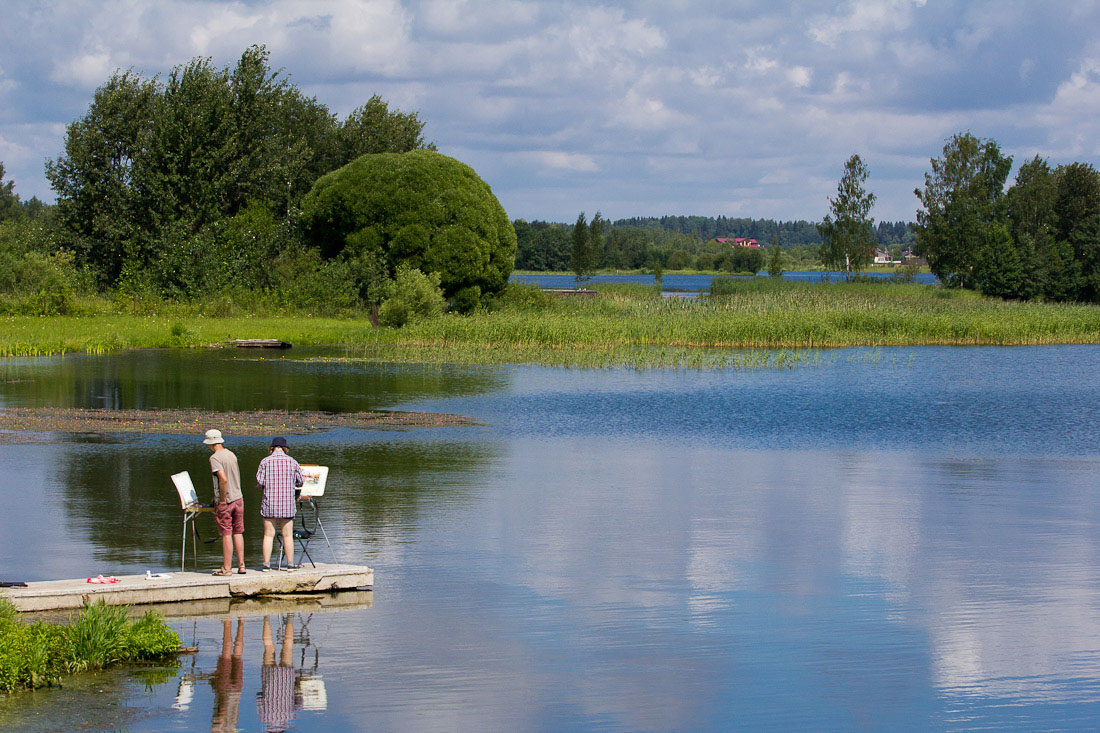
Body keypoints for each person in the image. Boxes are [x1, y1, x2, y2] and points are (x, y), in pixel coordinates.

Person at [256, 436, 304, 572]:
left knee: (268, 534)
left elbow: (260, 482)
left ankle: (266, 564)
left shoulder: (265, 462)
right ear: (285, 448)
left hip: (269, 503)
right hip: (287, 504)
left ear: (272, 448)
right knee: (287, 535)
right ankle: (290, 564)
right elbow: (300, 481)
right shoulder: (292, 462)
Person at [205, 429, 245, 576]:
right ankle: (241, 565)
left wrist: (221, 500)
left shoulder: (215, 458)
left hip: (227, 501)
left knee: (226, 533)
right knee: (238, 532)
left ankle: (227, 568)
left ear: (210, 444)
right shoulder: (231, 454)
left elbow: (223, 478)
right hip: (239, 498)